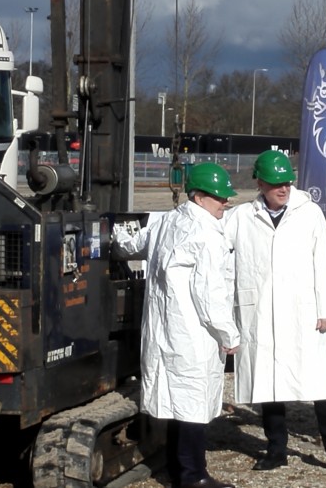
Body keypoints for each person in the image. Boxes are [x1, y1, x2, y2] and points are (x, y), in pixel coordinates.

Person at [223, 150, 326, 477]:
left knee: (320, 386)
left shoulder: (309, 213)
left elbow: (323, 261)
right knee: (268, 384)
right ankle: (276, 449)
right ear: (259, 183)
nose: (283, 189)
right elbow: (216, 246)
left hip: (302, 312)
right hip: (260, 312)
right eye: (275, 184)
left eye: (286, 183)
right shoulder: (241, 216)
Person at [114, 162, 241, 488]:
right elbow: (210, 295)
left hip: (163, 331)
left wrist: (112, 232)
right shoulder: (206, 234)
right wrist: (229, 333)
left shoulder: (166, 222)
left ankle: (176, 467)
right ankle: (193, 476)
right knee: (193, 406)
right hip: (193, 333)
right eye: (219, 197)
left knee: (175, 403)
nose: (225, 203)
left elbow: (130, 246)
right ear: (199, 197)